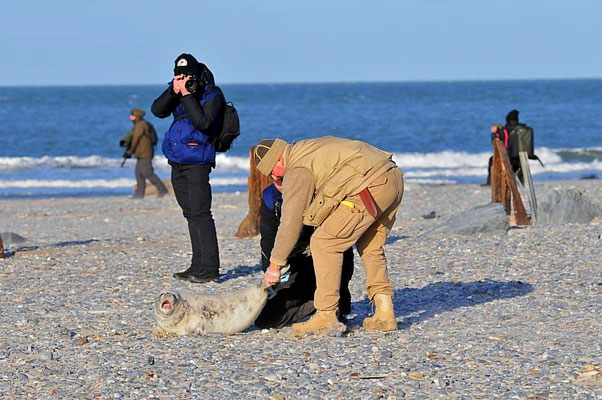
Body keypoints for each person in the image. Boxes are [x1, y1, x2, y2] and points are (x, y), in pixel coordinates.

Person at [254, 136, 404, 336]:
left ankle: (326, 315)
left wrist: (274, 266)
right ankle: (385, 312)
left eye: (272, 172)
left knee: (324, 243)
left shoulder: (297, 169)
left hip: (368, 185)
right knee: (370, 246)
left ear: (280, 160)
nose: (273, 178)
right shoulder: (308, 148)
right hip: (392, 177)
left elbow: (290, 222)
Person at [151, 53, 225, 283]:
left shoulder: (213, 94)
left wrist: (186, 94)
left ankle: (210, 268)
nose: (184, 80)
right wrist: (174, 90)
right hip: (177, 161)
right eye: (179, 76)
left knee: (201, 214)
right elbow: (157, 110)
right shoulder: (180, 91)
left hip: (198, 163)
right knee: (190, 214)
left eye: (187, 76)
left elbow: (203, 123)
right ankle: (197, 265)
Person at [254, 181, 355, 329]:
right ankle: (315, 303)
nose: (280, 181)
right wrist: (270, 273)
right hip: (297, 264)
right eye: (275, 178)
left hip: (325, 262)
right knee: (265, 320)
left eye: (283, 178)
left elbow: (340, 243)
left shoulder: (320, 191)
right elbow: (268, 240)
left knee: (337, 251)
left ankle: (334, 305)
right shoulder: (270, 197)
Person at [122, 109, 168, 199]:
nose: (130, 117)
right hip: (141, 153)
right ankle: (139, 194)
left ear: (136, 116)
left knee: (147, 173)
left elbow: (135, 139)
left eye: (132, 115)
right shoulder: (140, 124)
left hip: (145, 153)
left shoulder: (140, 125)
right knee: (139, 174)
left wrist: (129, 152)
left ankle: (163, 190)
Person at [486, 109, 524, 185]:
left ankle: (490, 182)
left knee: (491, 160)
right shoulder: (521, 128)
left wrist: (494, 133)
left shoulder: (505, 129)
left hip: (508, 157)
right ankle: (523, 182)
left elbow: (496, 143)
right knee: (520, 166)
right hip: (519, 157)